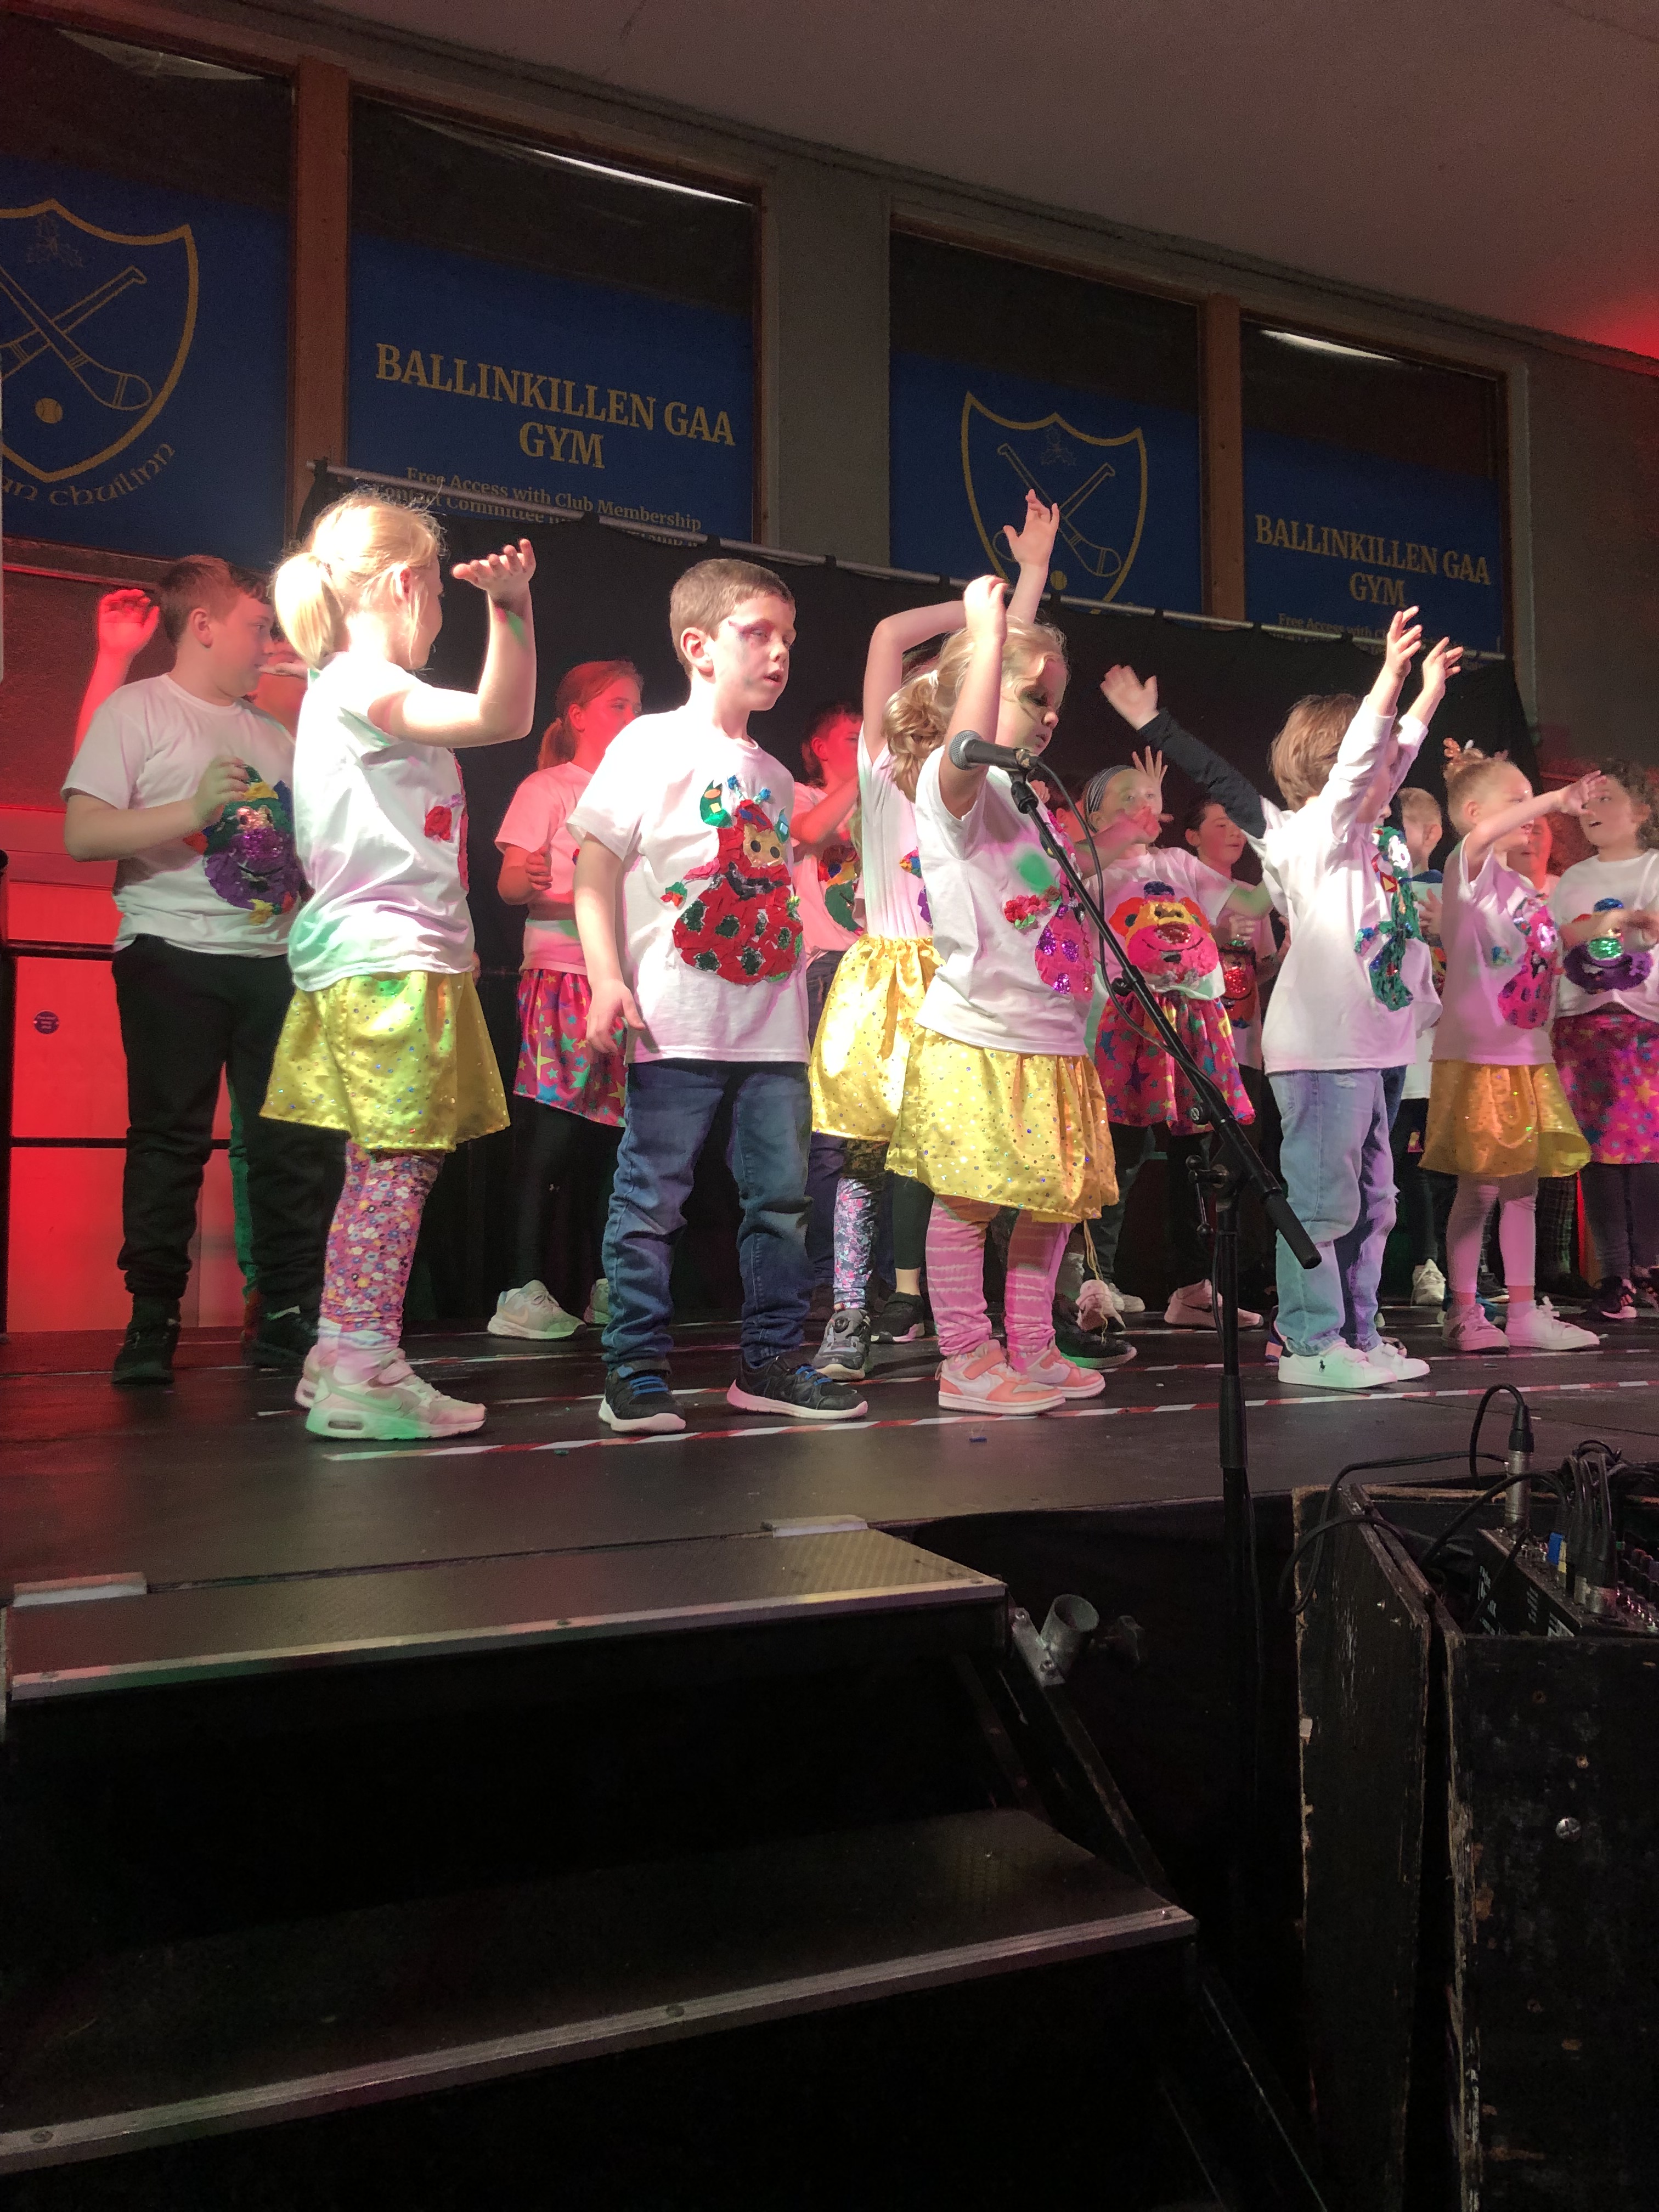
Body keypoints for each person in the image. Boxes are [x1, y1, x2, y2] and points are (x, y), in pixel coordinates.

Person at [1102, 607, 1458, 1390]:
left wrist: (1426, 694)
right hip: (1326, 1051)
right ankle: (1308, 1339)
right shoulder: (1312, 835)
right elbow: (1329, 764)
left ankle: (1357, 1334)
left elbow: (1388, 755)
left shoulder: (1366, 836)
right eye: (1377, 761)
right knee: (1325, 1203)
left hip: (1377, 1046)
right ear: (1339, 769)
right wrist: (1392, 679)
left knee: (1375, 1203)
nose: (1392, 772)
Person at [570, 557, 868, 1434]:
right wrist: (606, 977)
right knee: (651, 1199)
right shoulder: (650, 742)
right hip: (677, 1019)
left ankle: (770, 1362)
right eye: (757, 633)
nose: (779, 653)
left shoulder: (771, 771)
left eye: (788, 638)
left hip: (771, 1025)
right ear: (699, 647)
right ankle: (633, 1369)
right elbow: (594, 868)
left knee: (780, 1204)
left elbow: (793, 848)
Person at [262, 495, 537, 1439]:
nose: (442, 617)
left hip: (396, 952)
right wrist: (512, 608)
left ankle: (343, 1351)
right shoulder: (359, 681)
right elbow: (502, 715)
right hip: (387, 960)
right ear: (407, 584)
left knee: (387, 1166)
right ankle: (361, 1366)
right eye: (442, 598)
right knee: (395, 1167)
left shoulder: (345, 686)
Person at [63, 558, 336, 1387]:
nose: (269, 644)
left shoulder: (272, 733)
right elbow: (82, 835)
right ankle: (152, 1317)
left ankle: (286, 1314)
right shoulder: (138, 709)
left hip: (272, 960)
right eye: (258, 626)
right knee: (170, 1139)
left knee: (289, 1144)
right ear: (206, 626)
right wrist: (193, 810)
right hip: (170, 951)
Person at [808, 493, 1062, 1381]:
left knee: (956, 1161)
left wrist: (1028, 581)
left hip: (966, 978)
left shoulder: (986, 787)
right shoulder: (883, 769)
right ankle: (851, 1308)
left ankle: (942, 1308)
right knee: (865, 1157)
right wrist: (979, 609)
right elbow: (890, 636)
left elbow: (1012, 673)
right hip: (892, 976)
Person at [887, 575, 1150, 1415]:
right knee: (969, 1200)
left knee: (1051, 1202)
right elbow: (970, 737)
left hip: (1052, 1036)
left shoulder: (1028, 798)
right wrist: (992, 634)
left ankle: (1032, 1346)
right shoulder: (952, 784)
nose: (1050, 716)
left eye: (1055, 704)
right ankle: (966, 1358)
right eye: (1035, 697)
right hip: (984, 1033)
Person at [1082, 755, 1274, 1333]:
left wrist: (1293, 855)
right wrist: (1113, 839)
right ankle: (1094, 1280)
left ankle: (1192, 1287)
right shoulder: (1090, 868)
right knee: (1118, 1151)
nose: (1143, 806)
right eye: (1126, 799)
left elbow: (1251, 905)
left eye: (1150, 796)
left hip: (1191, 1021)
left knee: (1196, 1154)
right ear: (1095, 818)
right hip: (1125, 1023)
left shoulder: (1179, 864)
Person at [1423, 754, 1598, 1351]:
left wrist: (1608, 925)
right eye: (1516, 800)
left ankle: (1522, 1314)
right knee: (1479, 1190)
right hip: (1480, 1054)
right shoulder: (1468, 869)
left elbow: (1540, 951)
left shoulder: (1522, 888)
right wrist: (1556, 799)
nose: (1529, 812)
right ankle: (1463, 1311)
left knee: (1524, 1190)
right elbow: (1483, 838)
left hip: (1526, 1052)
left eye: (1531, 798)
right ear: (1476, 813)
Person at [490, 660, 641, 1339]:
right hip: (562, 976)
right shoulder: (549, 787)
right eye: (616, 705)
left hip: (624, 983)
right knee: (551, 1136)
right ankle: (520, 1288)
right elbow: (509, 885)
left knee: (617, 1143)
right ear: (577, 716)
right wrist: (528, 879)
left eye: (635, 705)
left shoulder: (640, 792)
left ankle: (608, 1285)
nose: (630, 717)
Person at [1549, 762, 1659, 1321]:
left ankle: (1649, 1266)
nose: (1592, 810)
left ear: (1641, 811)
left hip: (1643, 1025)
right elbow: (1555, 942)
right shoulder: (1573, 878)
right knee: (1597, 1152)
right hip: (1583, 1024)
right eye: (1587, 802)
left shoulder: (1655, 867)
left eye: (1607, 798)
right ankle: (1615, 1273)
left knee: (1646, 1150)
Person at [789, 702, 864, 1319]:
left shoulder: (881, 800)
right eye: (851, 736)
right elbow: (814, 832)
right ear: (819, 746)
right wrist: (865, 776)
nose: (864, 742)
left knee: (878, 1140)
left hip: (880, 968)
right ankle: (823, 1273)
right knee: (829, 1136)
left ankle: (877, 1279)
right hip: (827, 967)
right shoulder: (797, 793)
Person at [1391, 785, 1448, 1306]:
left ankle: (1439, 1266)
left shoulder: (1450, 893)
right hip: (1391, 1052)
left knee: (1438, 1167)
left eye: (1403, 828)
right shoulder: (1376, 889)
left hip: (1440, 1054)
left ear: (1431, 833)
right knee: (1387, 1164)